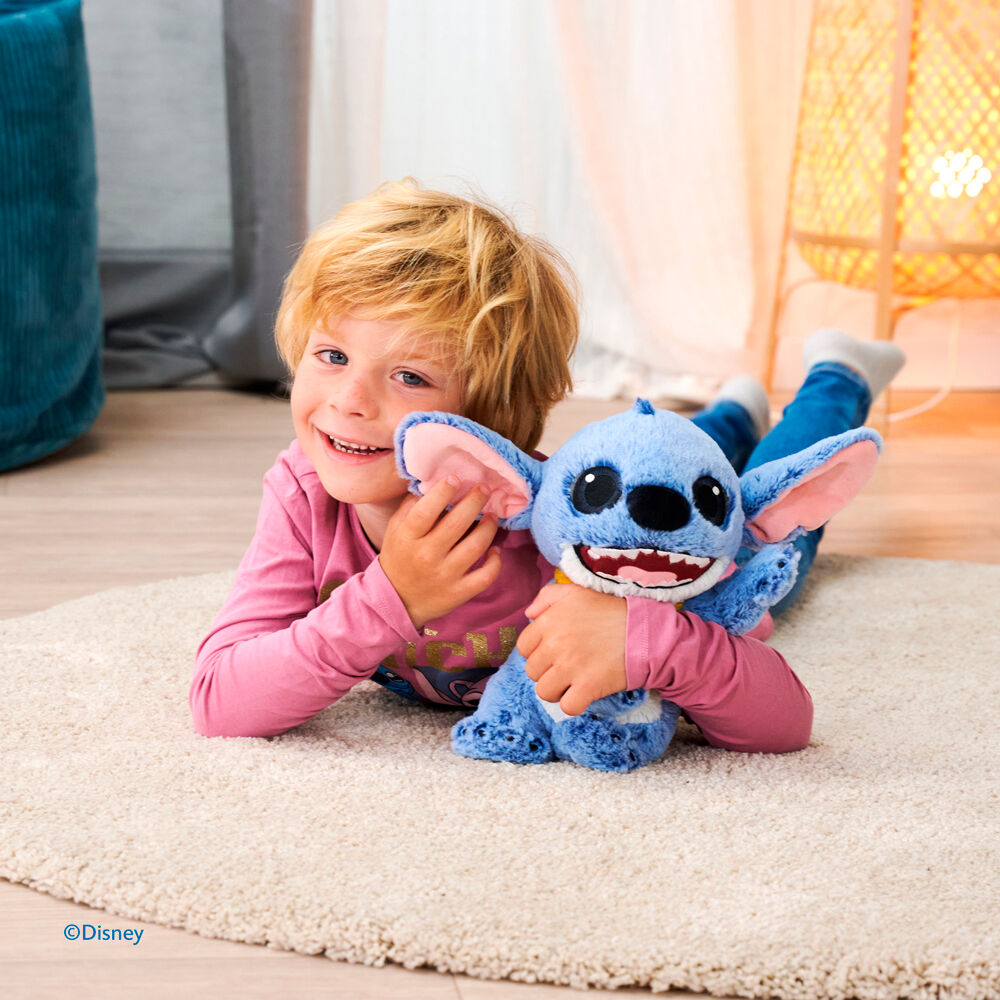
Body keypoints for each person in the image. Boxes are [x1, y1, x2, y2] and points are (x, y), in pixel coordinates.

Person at [189, 178, 900, 755]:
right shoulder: (305, 492)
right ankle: (730, 417)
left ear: (486, 426)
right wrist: (390, 598)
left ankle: (839, 373)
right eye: (332, 355)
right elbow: (221, 701)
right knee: (680, 451)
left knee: (759, 515)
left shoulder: (579, 534)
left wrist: (648, 639)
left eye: (409, 376)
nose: (348, 401)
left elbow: (782, 722)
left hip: (680, 528)